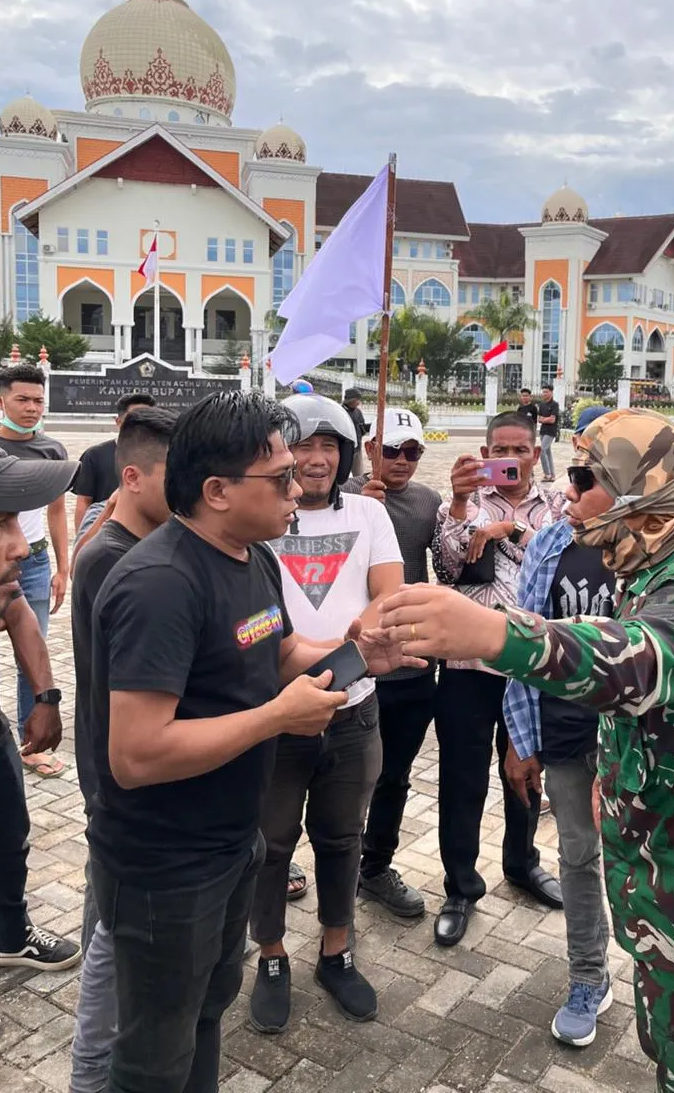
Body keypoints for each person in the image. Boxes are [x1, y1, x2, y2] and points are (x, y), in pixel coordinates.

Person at [380, 409, 674, 1093]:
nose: (567, 492)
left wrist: (493, 633)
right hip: (661, 884)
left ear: (637, 491)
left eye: (585, 479)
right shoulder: (643, 567)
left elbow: (635, 661)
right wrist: (613, 773)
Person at [86, 391, 401, 1093]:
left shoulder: (252, 557)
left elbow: (281, 652)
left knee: (207, 1012)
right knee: (153, 1056)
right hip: (166, 866)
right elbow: (135, 756)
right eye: (281, 477)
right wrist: (274, 720)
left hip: (232, 843)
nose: (298, 488)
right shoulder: (161, 585)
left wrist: (356, 654)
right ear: (217, 491)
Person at [249, 394, 404, 1031]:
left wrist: (345, 661)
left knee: (342, 838)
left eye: (328, 447)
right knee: (270, 843)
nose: (315, 460)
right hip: (277, 714)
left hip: (353, 708)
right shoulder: (261, 517)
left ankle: (336, 949)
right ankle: (271, 954)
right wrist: (326, 659)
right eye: (302, 446)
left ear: (345, 455)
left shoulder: (369, 513)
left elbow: (388, 596)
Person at [69, 407, 177, 1093]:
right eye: (176, 475)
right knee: (110, 926)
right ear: (132, 479)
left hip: (125, 766)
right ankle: (93, 1067)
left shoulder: (138, 543)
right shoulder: (114, 559)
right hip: (119, 771)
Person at [430, 412, 564, 948]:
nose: (509, 459)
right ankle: (460, 885)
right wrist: (462, 504)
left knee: (525, 771)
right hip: (466, 665)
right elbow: (447, 568)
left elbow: (560, 562)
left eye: (520, 450)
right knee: (461, 778)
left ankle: (523, 862)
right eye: (499, 450)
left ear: (535, 454)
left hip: (531, 664)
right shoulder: (461, 503)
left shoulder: (557, 506)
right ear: (484, 454)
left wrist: (511, 529)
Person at [502, 404, 612, 1046]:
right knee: (577, 855)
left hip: (640, 745)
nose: (568, 490)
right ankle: (588, 975)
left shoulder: (665, 561)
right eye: (570, 473)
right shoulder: (550, 544)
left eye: (585, 478)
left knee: (647, 861)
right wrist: (522, 741)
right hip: (568, 735)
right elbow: (525, 643)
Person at [0, 435, 79, 1025]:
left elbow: (16, 611)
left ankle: (11, 935)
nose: (22, 545)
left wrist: (46, 697)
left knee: (8, 835)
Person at [346, 407, 442, 919]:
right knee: (334, 774)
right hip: (355, 661)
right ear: (369, 450)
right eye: (390, 450)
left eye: (412, 452)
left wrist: (463, 504)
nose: (401, 460)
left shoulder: (428, 502)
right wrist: (360, 510)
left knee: (395, 775)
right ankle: (318, 862)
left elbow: (450, 566)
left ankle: (376, 865)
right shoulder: (343, 498)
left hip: (410, 660)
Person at [0, 363, 70, 777]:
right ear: (0, 402)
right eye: (23, 399)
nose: (32, 408)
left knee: (31, 651)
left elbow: (57, 512)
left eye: (38, 400)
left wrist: (63, 567)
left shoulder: (53, 452)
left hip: (32, 561)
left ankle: (29, 742)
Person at [71, 393, 157, 533]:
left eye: (148, 419)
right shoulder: (94, 455)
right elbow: (84, 502)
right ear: (118, 421)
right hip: (104, 534)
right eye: (134, 419)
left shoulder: (161, 458)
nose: (141, 425)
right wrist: (82, 538)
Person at [342, 388, 368, 476]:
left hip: (357, 449)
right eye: (357, 399)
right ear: (351, 400)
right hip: (345, 449)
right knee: (343, 474)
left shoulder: (358, 412)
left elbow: (362, 428)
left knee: (358, 474)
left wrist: (374, 425)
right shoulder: (341, 412)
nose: (359, 402)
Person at [538, 383, 560, 482]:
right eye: (543, 392)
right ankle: (552, 475)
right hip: (543, 431)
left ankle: (547, 474)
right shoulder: (542, 405)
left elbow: (552, 420)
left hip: (551, 431)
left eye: (546, 392)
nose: (544, 394)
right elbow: (539, 419)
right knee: (548, 452)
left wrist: (544, 419)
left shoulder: (555, 405)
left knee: (541, 450)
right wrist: (545, 419)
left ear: (551, 392)